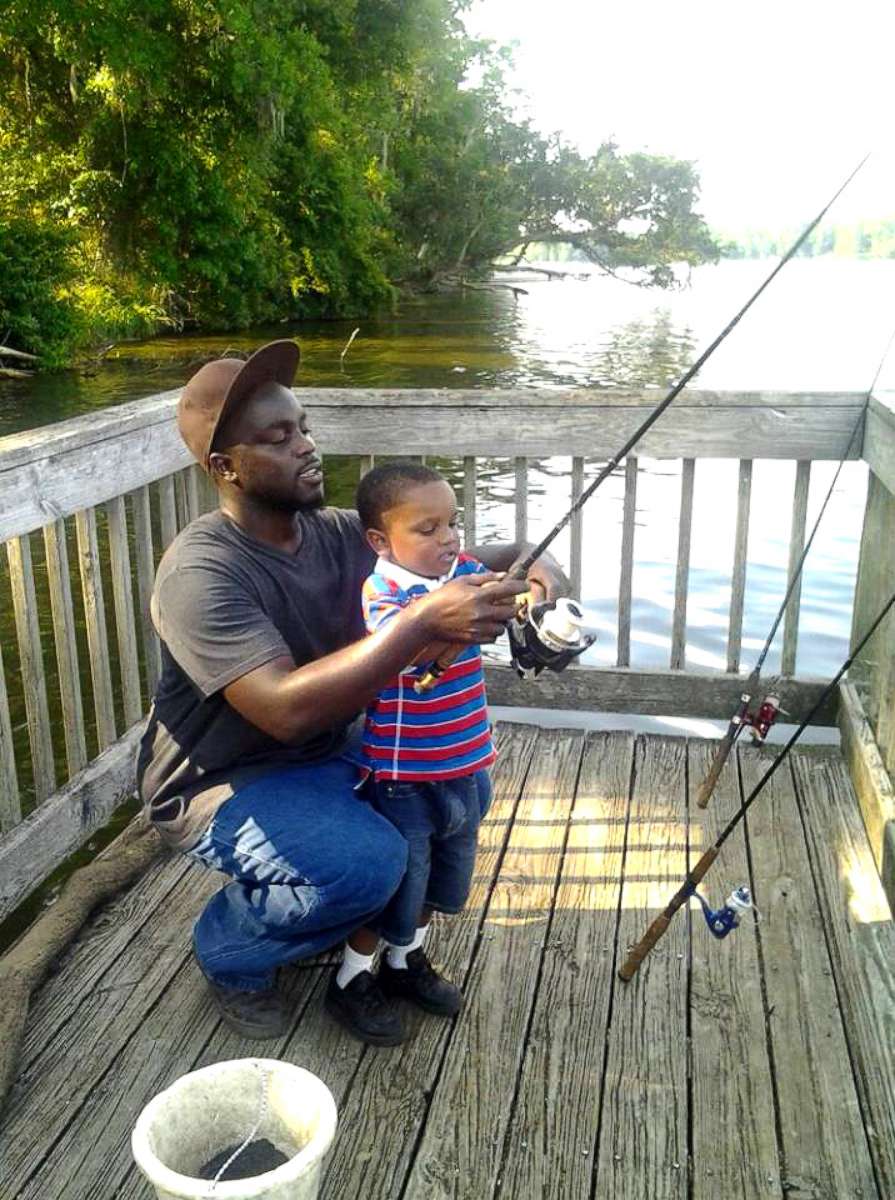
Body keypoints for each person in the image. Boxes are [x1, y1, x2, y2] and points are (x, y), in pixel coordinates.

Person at [136, 339, 566, 1046]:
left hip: (330, 751)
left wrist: (542, 584)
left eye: (303, 427)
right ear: (224, 467)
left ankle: (378, 948)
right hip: (222, 783)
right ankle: (231, 950)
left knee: (434, 810)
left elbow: (497, 557)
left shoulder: (338, 534)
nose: (306, 447)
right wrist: (423, 619)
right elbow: (282, 709)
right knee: (369, 864)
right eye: (278, 438)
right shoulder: (200, 573)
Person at [327, 463, 494, 1030]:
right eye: (427, 530)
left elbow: (504, 590)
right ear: (380, 540)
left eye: (452, 524)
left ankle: (404, 960)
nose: (448, 538)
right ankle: (351, 976)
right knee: (397, 884)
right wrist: (451, 615)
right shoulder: (386, 590)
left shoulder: (464, 572)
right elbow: (403, 649)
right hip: (403, 778)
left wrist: (535, 594)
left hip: (465, 765)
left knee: (442, 881)